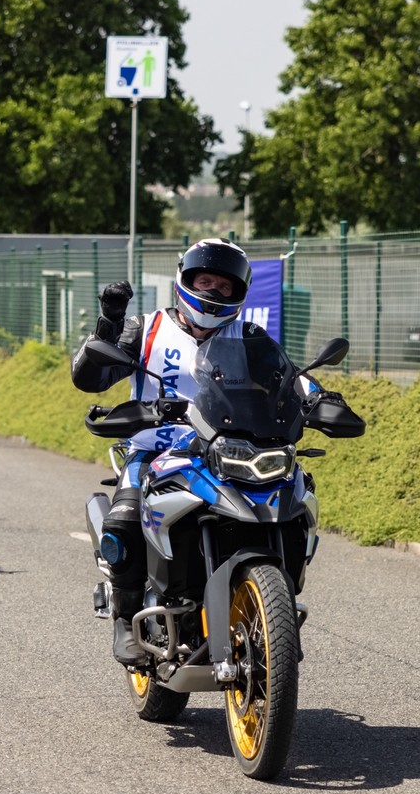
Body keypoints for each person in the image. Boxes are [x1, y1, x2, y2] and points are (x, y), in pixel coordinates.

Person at [71, 238, 295, 665]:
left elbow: (288, 381)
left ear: (239, 293)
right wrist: (108, 322)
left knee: (288, 499)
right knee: (123, 521)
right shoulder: (147, 327)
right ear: (185, 280)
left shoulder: (248, 337)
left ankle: (270, 604)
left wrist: (320, 398)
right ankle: (126, 620)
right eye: (204, 280)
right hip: (154, 452)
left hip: (225, 452)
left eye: (224, 286)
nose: (213, 291)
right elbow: (90, 378)